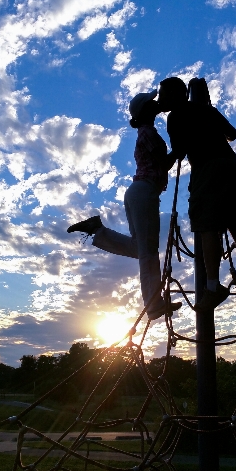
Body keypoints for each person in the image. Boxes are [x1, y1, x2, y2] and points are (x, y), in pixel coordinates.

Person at [67, 91, 182, 321]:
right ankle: (153, 303)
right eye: (151, 103)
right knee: (148, 252)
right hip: (145, 192)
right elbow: (164, 163)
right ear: (145, 111)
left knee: (141, 248)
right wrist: (181, 148)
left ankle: (98, 230)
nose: (155, 103)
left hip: (138, 192)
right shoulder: (148, 133)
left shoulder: (146, 132)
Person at [158, 76, 236, 312]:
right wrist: (208, 120)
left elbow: (180, 150)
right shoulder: (206, 109)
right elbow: (232, 133)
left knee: (206, 225)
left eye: (163, 94)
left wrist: (162, 165)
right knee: (235, 224)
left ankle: (213, 287)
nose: (160, 98)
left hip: (207, 166)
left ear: (176, 94)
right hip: (229, 165)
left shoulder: (174, 116)